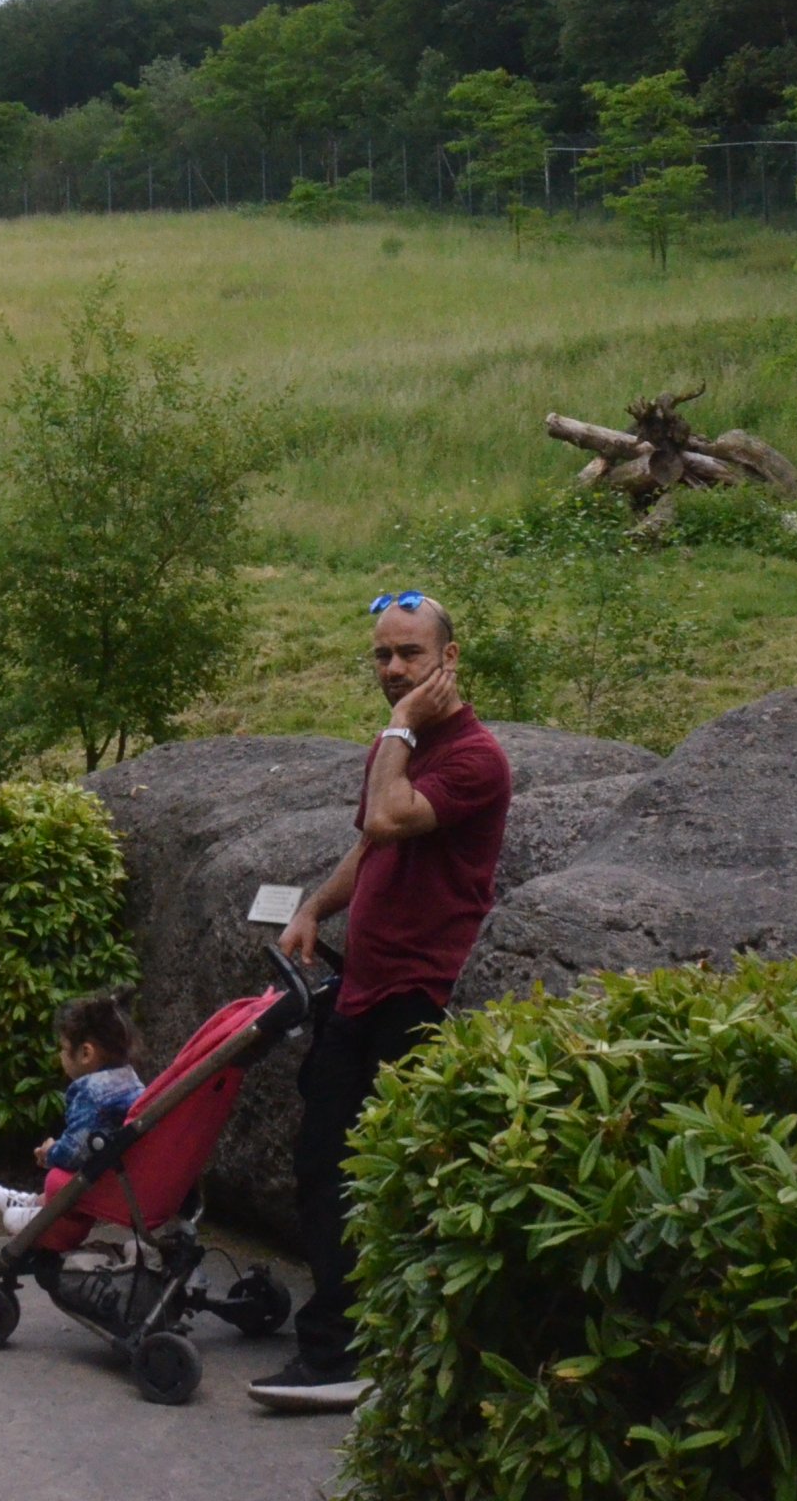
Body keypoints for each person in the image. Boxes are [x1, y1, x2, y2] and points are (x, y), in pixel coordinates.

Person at [248, 591, 510, 1413]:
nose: (392, 669)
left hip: (419, 998)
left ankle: (349, 1354)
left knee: (381, 1179)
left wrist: (398, 728)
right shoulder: (397, 744)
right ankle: (343, 1344)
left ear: (448, 659)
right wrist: (314, 908)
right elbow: (369, 845)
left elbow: (393, 817)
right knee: (321, 1168)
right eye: (381, 655)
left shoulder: (474, 757)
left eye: (409, 654)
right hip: (361, 989)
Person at [0, 988, 147, 1235]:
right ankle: (34, 1202)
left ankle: (37, 1215)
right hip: (129, 1174)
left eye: (63, 1047)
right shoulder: (131, 1082)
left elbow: (74, 1152)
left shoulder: (93, 1093)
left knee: (58, 1179)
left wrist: (51, 1152)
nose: (60, 1055)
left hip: (111, 1184)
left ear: (86, 1053)